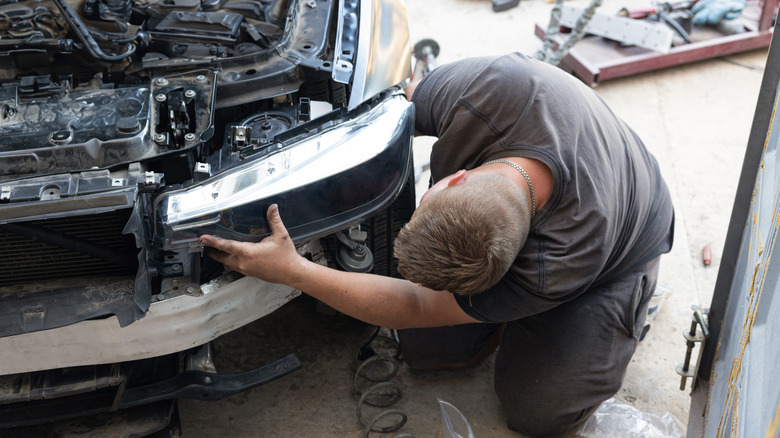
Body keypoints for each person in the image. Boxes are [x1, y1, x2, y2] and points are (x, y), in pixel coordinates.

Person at [200, 52, 674, 437]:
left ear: (454, 178)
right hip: (572, 168)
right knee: (428, 353)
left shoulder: (561, 261)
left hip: (621, 253)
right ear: (457, 179)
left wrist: (295, 271)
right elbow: (388, 108)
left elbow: (419, 307)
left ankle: (603, 318)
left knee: (538, 415)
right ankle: (499, 318)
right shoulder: (489, 87)